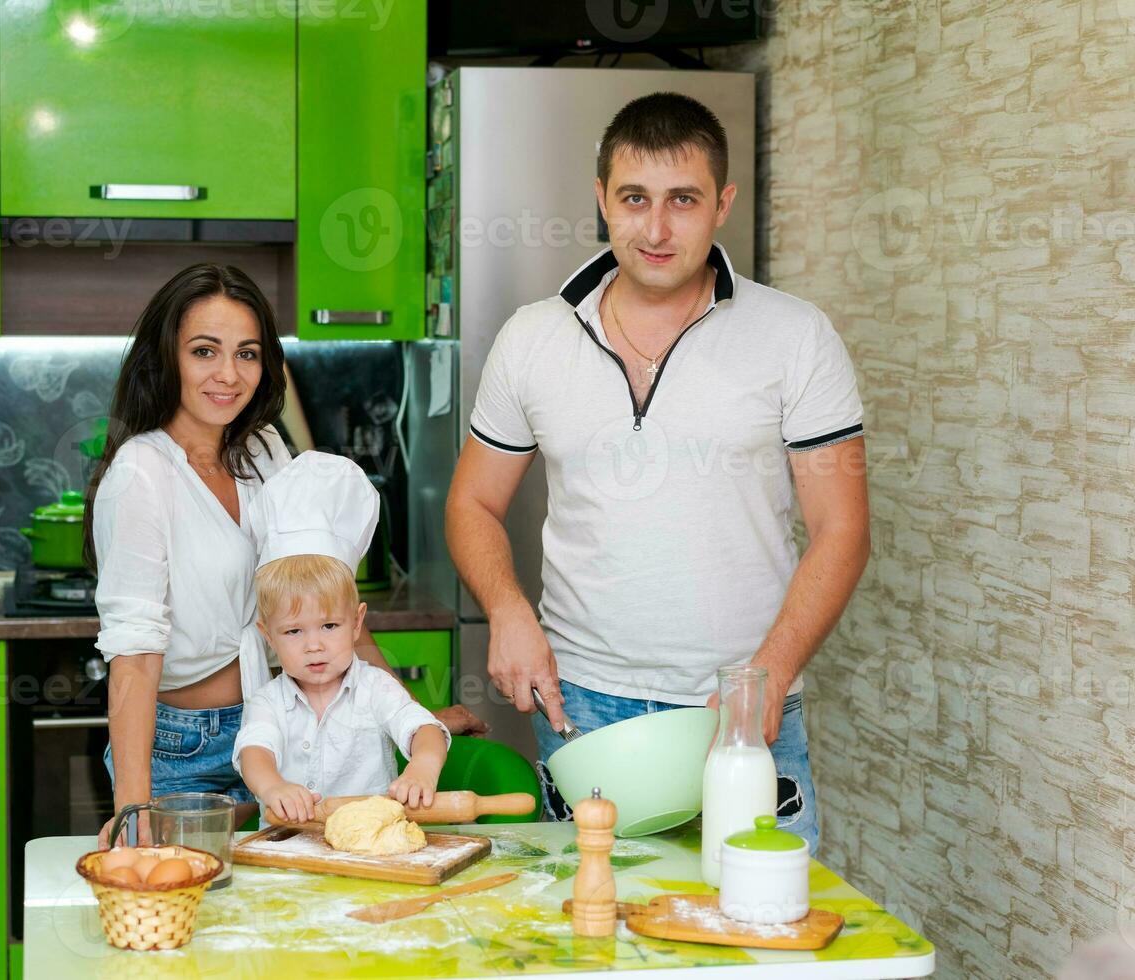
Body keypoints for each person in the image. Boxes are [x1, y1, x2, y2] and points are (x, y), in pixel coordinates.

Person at [445, 93, 871, 852]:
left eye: (684, 200)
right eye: (635, 198)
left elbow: (844, 530)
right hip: (582, 707)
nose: (657, 227)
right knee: (594, 943)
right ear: (602, 198)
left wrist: (766, 679)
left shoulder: (796, 337)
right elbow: (473, 502)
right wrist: (508, 610)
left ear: (723, 205)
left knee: (760, 941)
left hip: (740, 710)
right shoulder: (533, 338)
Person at [86, 264, 477, 846]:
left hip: (286, 728)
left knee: (288, 908)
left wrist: (408, 718)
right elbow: (136, 657)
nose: (228, 374)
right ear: (166, 357)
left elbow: (324, 598)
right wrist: (133, 809)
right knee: (192, 915)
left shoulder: (264, 448)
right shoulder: (142, 474)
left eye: (247, 353)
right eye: (204, 351)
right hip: (180, 749)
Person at [233, 452, 450, 823]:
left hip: (369, 847)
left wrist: (422, 768)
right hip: (291, 851)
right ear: (268, 635)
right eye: (294, 631)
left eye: (329, 626)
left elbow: (424, 728)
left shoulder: (374, 689)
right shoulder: (268, 701)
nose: (313, 645)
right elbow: (255, 752)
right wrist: (273, 788)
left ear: (356, 623)